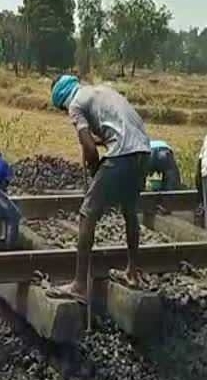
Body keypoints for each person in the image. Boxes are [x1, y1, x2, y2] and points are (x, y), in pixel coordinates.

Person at [51, 74, 150, 300]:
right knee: (129, 210)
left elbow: (90, 149)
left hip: (122, 154)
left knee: (87, 214)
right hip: (144, 152)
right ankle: (132, 272)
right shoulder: (102, 90)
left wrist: (96, 173)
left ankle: (79, 285)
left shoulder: (75, 105)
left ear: (62, 101)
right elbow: (117, 128)